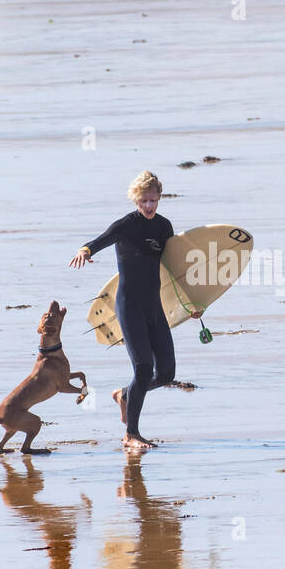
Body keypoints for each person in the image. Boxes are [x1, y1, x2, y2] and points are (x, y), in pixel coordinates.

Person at [69, 171, 200, 452]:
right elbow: (99, 241)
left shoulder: (164, 227)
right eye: (144, 201)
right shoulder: (126, 225)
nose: (149, 206)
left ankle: (124, 394)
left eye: (153, 200)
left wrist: (192, 304)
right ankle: (131, 434)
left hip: (155, 306)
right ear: (136, 199)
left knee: (165, 374)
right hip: (129, 307)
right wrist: (85, 250)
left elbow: (175, 270)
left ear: (159, 198)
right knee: (143, 368)